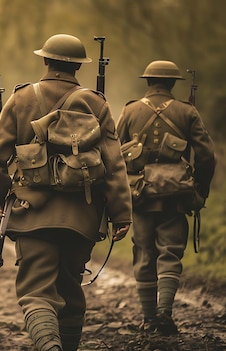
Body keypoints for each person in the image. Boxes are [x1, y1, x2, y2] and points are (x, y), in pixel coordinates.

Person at [0, 34, 132, 351]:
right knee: (71, 292)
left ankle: (48, 345)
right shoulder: (96, 102)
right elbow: (115, 164)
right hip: (83, 217)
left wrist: (5, 197)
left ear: (45, 60)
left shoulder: (21, 99)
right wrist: (121, 214)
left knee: (36, 293)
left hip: (31, 213)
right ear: (78, 66)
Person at [116, 60, 216, 335]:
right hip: (176, 195)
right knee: (171, 253)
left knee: (144, 253)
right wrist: (200, 189)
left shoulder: (130, 110)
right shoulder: (187, 111)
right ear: (173, 84)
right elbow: (206, 156)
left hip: (140, 195)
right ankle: (164, 313)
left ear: (147, 81)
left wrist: (117, 195)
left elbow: (113, 153)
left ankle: (149, 319)